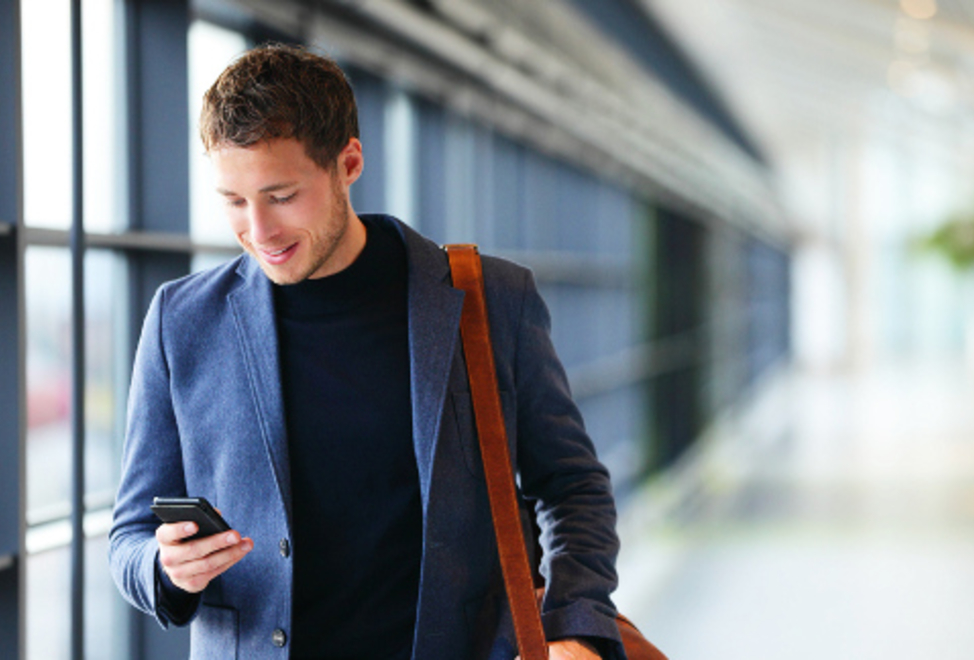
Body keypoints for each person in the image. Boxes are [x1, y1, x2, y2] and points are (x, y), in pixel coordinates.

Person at [108, 43, 624, 660]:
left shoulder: (489, 301)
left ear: (348, 162)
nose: (259, 231)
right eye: (234, 202)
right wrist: (166, 568)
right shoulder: (182, 320)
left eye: (281, 196)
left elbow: (572, 486)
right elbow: (130, 537)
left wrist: (572, 626)